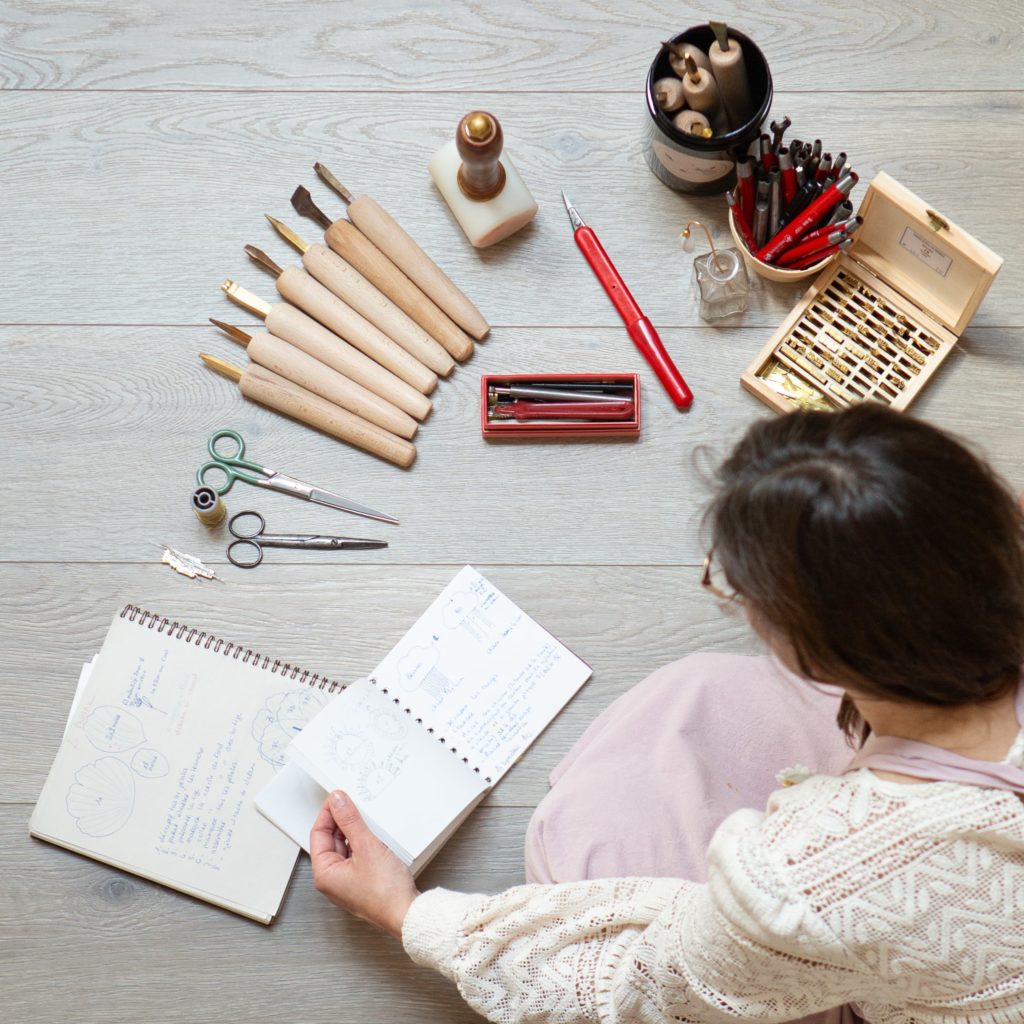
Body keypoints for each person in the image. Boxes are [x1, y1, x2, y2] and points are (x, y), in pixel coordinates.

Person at [309, 404, 1024, 1024]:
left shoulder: (808, 879)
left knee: (575, 841)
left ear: (821, 656)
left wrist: (407, 915)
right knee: (697, 696)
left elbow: (640, 981)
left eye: (740, 590)